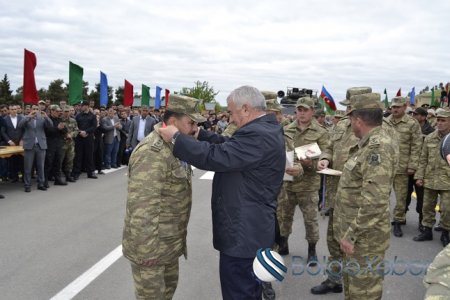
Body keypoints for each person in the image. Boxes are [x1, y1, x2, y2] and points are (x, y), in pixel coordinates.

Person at [159, 86, 285, 300]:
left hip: (243, 236)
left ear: (245, 109)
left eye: (232, 111)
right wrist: (202, 134)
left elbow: (217, 157)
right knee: (247, 291)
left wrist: (177, 138)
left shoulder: (258, 134)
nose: (231, 117)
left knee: (239, 292)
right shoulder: (264, 129)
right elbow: (231, 147)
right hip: (251, 231)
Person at [122, 95, 204, 300]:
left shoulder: (175, 145)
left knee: (166, 294)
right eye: (190, 122)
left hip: (168, 245)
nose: (194, 128)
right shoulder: (153, 151)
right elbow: (142, 207)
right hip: (152, 249)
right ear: (174, 121)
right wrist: (146, 251)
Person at [334, 93, 398, 300]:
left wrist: (351, 235)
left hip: (364, 239)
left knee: (364, 292)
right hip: (357, 234)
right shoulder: (370, 143)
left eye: (351, 119)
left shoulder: (377, 147)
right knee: (353, 290)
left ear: (358, 120)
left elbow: (375, 201)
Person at [279, 97, 329, 265]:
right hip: (287, 182)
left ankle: (312, 250)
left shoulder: (321, 132)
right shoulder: (286, 129)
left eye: (305, 110)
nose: (301, 113)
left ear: (312, 111)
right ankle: (283, 243)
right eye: (299, 110)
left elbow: (326, 157)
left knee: (310, 219)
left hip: (308, 184)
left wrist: (311, 163)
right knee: (283, 216)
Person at [413, 110, 450, 246]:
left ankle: (446, 232)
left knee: (447, 209)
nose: (439, 123)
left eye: (443, 120)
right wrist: (419, 177)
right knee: (427, 207)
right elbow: (423, 159)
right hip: (430, 178)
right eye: (438, 120)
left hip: (447, 180)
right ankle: (427, 231)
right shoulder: (430, 138)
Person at [387, 96, 423, 237]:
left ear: (404, 107)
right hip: (384, 167)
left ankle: (398, 221)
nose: (395, 109)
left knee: (401, 197)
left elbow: (416, 145)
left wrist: (412, 166)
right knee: (382, 196)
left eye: (398, 107)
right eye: (393, 107)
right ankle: (382, 221)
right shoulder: (384, 122)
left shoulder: (412, 123)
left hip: (402, 167)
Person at [406, 107, 435, 232]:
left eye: (416, 114)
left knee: (422, 198)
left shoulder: (431, 131)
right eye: (413, 114)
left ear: (424, 117)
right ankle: (401, 218)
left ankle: (422, 222)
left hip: (422, 169)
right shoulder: (410, 128)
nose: (414, 116)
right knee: (405, 196)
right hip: (409, 167)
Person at [18, 105, 53, 192]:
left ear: (39, 110)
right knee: (28, 167)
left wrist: (46, 117)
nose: (35, 110)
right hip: (29, 145)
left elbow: (50, 126)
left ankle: (41, 184)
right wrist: (29, 116)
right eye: (33, 109)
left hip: (41, 145)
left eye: (37, 109)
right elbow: (20, 125)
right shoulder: (26, 118)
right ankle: (27, 185)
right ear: (30, 110)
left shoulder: (42, 118)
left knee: (41, 166)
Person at [72, 101, 98, 180]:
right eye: (80, 106)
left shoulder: (93, 116)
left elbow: (94, 126)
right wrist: (80, 132)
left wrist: (86, 132)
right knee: (78, 156)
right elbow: (75, 126)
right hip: (79, 138)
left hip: (88, 137)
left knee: (89, 156)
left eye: (82, 106)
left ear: (86, 106)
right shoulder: (78, 116)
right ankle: (76, 173)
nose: (81, 107)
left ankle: (90, 172)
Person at [44, 105, 68, 187]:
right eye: (57, 111)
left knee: (58, 162)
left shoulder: (59, 119)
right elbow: (47, 131)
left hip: (59, 143)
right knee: (48, 163)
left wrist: (62, 129)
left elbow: (65, 130)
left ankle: (57, 179)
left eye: (59, 111)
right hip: (50, 144)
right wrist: (57, 128)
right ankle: (45, 181)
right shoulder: (47, 119)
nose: (59, 113)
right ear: (52, 111)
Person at [1, 105, 24, 183]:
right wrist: (9, 141)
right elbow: (3, 132)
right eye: (12, 109)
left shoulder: (22, 118)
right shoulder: (4, 119)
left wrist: (22, 139)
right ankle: (14, 177)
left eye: (15, 109)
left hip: (21, 143)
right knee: (12, 161)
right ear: (9, 110)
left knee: (22, 161)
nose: (14, 110)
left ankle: (24, 177)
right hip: (11, 144)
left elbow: (25, 130)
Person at [61, 106, 79, 182]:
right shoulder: (60, 120)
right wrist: (65, 135)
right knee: (60, 160)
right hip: (61, 144)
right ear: (62, 112)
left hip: (70, 144)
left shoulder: (73, 120)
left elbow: (76, 130)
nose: (67, 113)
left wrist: (72, 134)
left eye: (68, 111)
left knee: (70, 160)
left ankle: (68, 175)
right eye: (65, 111)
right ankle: (57, 176)